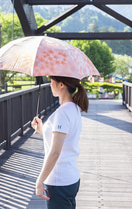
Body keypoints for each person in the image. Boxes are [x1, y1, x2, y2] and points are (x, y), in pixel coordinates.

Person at [31, 76, 89, 209]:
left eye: (52, 81)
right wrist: (41, 129)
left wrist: (39, 182)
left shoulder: (62, 113)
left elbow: (55, 152)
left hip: (59, 182)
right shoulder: (74, 108)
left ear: (61, 84)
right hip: (70, 178)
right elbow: (64, 140)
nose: (50, 85)